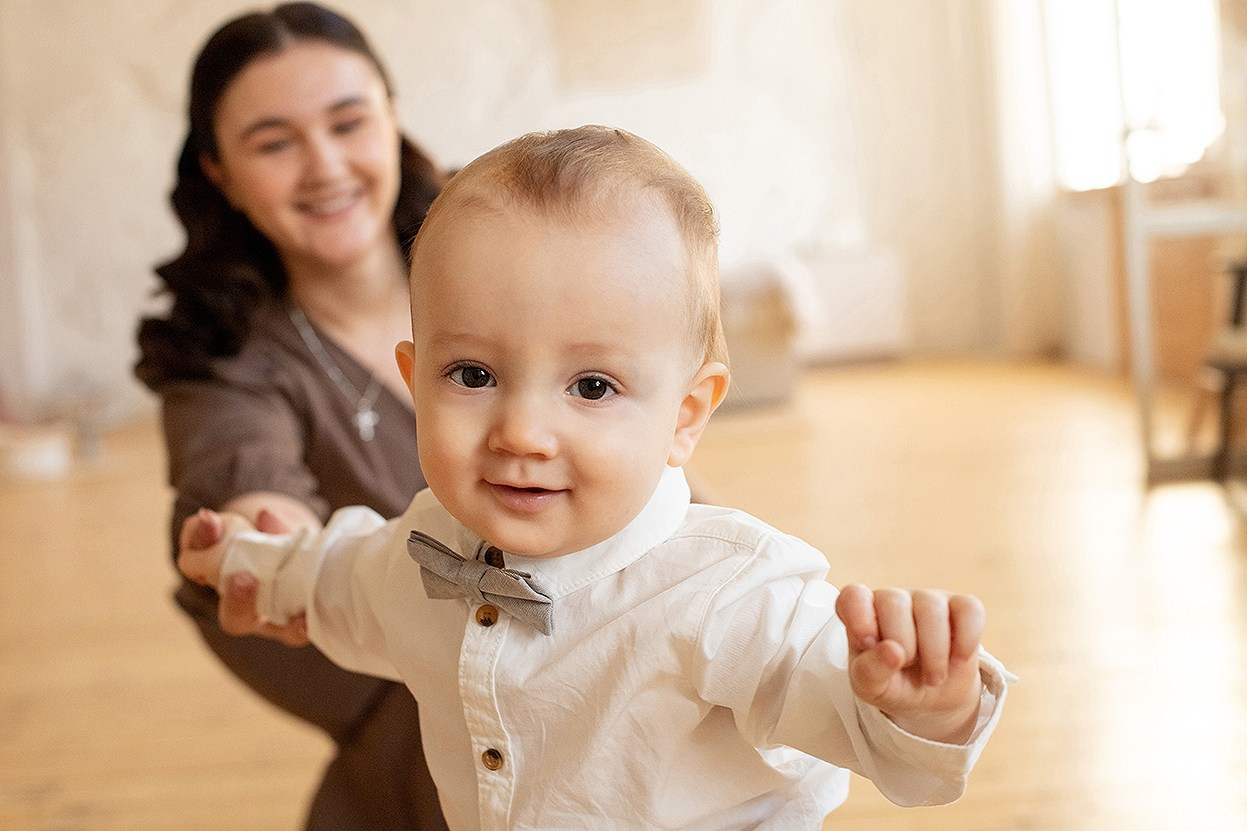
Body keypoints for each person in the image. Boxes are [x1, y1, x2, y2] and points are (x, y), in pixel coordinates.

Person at [178, 125, 1014, 830]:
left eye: (591, 386)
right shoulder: (420, 551)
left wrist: (924, 706)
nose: (522, 432)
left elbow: (842, 704)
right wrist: (248, 561)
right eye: (471, 375)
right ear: (413, 376)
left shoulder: (731, 592)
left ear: (686, 414)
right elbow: (335, 575)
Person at [134, 4, 450, 829]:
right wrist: (269, 554)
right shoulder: (225, 357)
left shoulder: (491, 248)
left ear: (391, 116)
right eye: (274, 143)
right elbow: (254, 493)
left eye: (349, 123)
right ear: (220, 173)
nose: (324, 168)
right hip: (431, 713)